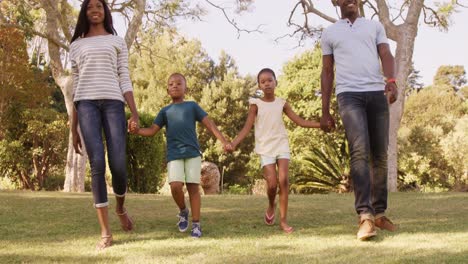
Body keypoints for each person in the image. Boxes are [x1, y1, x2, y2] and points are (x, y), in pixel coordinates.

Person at [320, 0, 399, 240]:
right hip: (348, 95)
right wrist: (325, 111)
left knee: (380, 155)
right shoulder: (329, 32)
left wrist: (391, 81)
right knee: (359, 151)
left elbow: (385, 53)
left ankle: (380, 213)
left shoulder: (374, 26)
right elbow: (327, 70)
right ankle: (365, 216)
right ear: (336, 2)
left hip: (376, 93)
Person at [69, 0, 138, 250]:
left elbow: (124, 76)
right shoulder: (76, 45)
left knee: (118, 164)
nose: (95, 10)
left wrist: (135, 112)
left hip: (113, 104)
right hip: (86, 105)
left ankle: (120, 207)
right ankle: (106, 233)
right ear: (85, 13)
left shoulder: (117, 42)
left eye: (99, 6)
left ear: (105, 11)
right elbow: (75, 88)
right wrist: (73, 127)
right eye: (90, 7)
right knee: (97, 163)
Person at [129, 73, 230, 238]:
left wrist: (224, 141)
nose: (175, 86)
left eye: (178, 83)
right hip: (174, 154)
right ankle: (183, 210)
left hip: (192, 153)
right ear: (168, 90)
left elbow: (209, 125)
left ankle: (196, 225)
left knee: (193, 188)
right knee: (175, 186)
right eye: (171, 84)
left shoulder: (192, 106)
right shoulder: (165, 111)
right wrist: (137, 130)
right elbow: (153, 130)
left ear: (185, 88)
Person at [228, 68, 320, 234]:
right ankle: (271, 205)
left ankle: (283, 221)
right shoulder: (255, 104)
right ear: (259, 85)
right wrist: (233, 143)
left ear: (275, 82)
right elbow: (247, 127)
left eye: (270, 80)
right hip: (265, 148)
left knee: (283, 181)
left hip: (281, 145)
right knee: (272, 184)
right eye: (263, 82)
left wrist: (322, 125)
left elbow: (299, 121)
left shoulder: (282, 103)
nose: (267, 84)